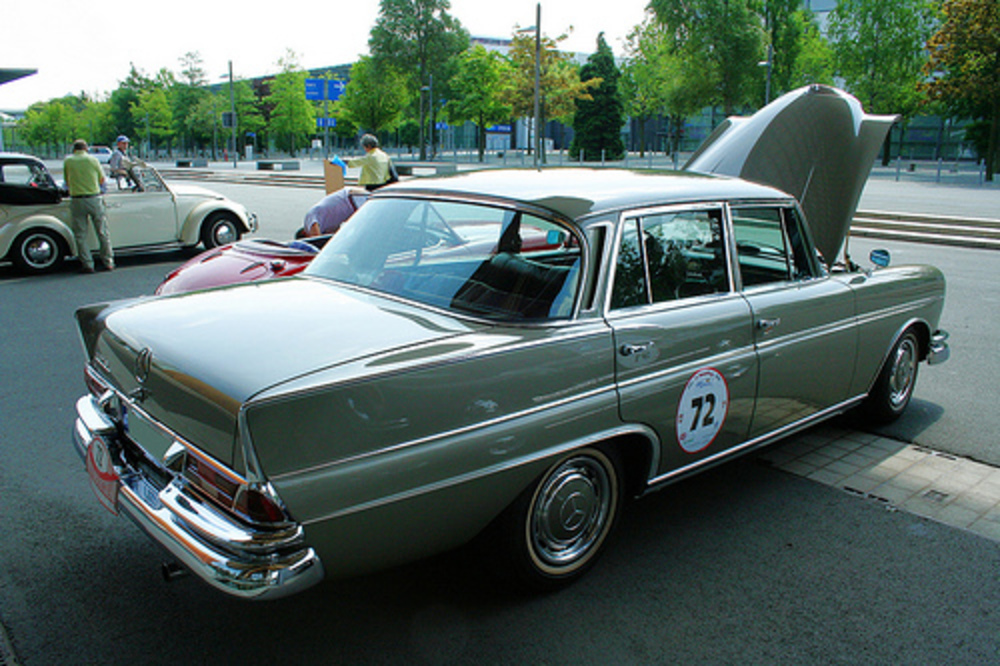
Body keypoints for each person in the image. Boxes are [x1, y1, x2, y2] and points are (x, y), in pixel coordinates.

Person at [63, 139, 114, 273]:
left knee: (80, 235)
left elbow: (67, 181)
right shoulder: (93, 160)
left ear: (74, 149)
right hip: (94, 198)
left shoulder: (68, 161)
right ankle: (108, 261)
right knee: (102, 231)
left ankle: (88, 264)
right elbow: (102, 179)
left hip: (77, 200)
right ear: (86, 149)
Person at [298, 187, 367, 238]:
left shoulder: (309, 221)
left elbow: (317, 239)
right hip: (353, 202)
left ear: (304, 233)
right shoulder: (325, 226)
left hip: (351, 199)